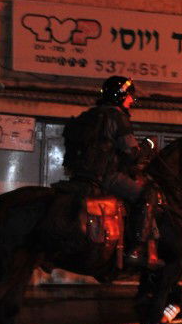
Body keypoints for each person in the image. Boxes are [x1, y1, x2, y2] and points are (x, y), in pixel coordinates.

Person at [62, 76, 162, 270]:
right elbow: (132, 154)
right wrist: (148, 145)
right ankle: (136, 249)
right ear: (120, 96)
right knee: (148, 194)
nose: (132, 100)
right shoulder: (117, 117)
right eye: (129, 96)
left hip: (79, 176)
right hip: (107, 177)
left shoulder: (89, 115)